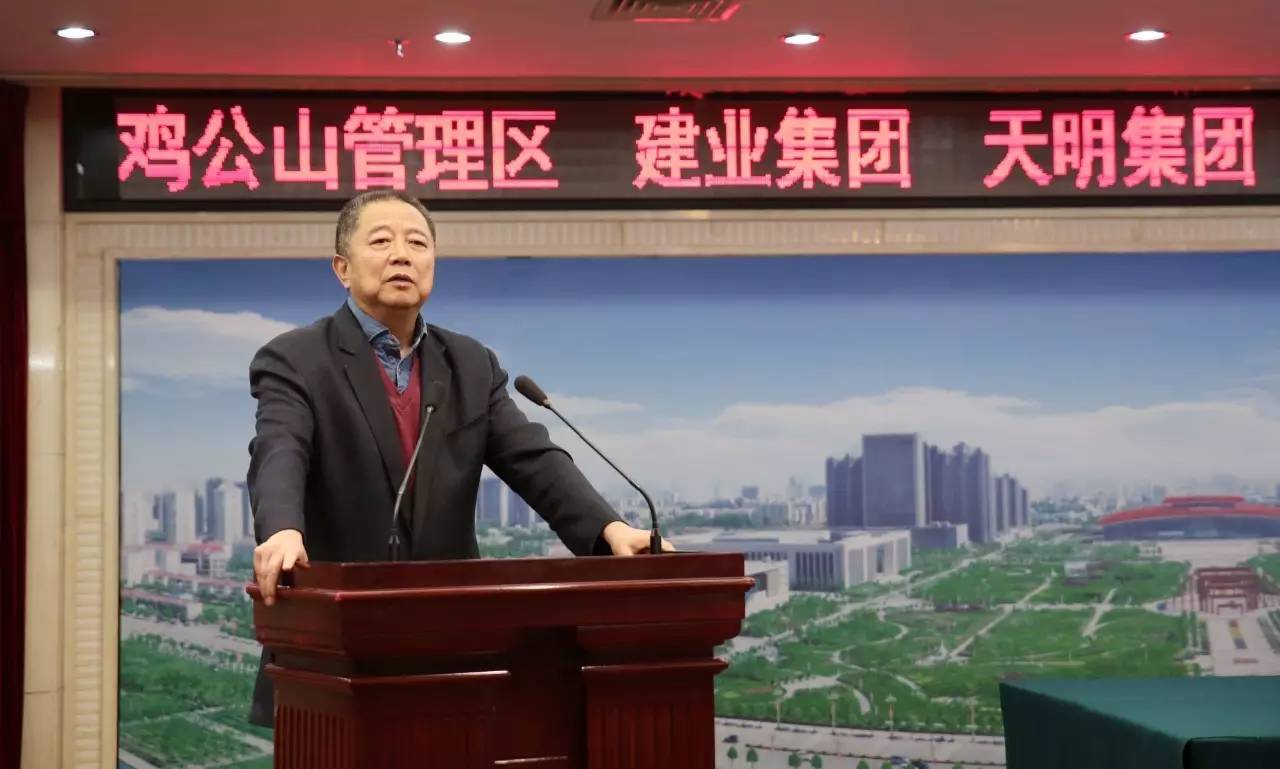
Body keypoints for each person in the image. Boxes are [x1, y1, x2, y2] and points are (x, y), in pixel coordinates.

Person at [245, 190, 669, 725]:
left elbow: (533, 458)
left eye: (417, 243)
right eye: (381, 241)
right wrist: (282, 530)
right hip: (334, 658)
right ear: (342, 268)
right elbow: (279, 447)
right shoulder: (296, 358)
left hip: (452, 651)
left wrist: (610, 529)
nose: (402, 255)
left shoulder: (469, 363)